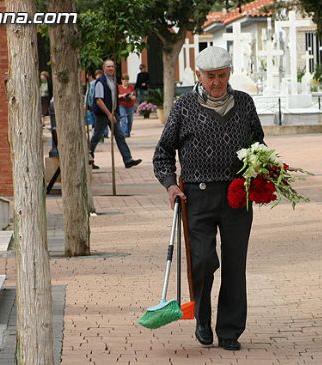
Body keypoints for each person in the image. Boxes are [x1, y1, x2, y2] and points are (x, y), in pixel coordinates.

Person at [153, 46, 264, 351]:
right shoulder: (184, 106)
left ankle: (229, 330)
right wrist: (169, 185)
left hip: (236, 196)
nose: (216, 82)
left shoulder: (244, 104)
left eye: (222, 75)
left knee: (234, 264)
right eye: (210, 76)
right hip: (196, 197)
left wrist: (259, 171)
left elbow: (258, 144)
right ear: (198, 76)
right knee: (202, 260)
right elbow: (163, 153)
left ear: (230, 74)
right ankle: (202, 317)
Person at [90, 59, 142, 169]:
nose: (110, 68)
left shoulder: (113, 81)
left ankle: (128, 159)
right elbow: (99, 100)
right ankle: (88, 157)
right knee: (97, 136)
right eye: (108, 66)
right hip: (102, 114)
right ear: (104, 68)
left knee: (120, 136)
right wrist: (109, 114)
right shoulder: (100, 82)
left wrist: (115, 112)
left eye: (112, 66)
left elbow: (114, 99)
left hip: (112, 113)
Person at [85, 69, 109, 140]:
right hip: (93, 105)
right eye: (98, 75)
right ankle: (99, 134)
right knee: (95, 121)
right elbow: (88, 94)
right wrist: (86, 103)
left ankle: (103, 133)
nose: (99, 77)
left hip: (101, 105)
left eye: (100, 75)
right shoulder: (92, 83)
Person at [118, 73, 137, 137]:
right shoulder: (119, 87)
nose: (126, 82)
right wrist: (123, 95)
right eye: (125, 80)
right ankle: (124, 133)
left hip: (130, 106)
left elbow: (134, 96)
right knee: (123, 118)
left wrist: (131, 97)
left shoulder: (131, 87)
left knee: (130, 120)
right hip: (122, 105)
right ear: (121, 80)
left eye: (127, 80)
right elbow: (116, 96)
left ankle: (128, 132)